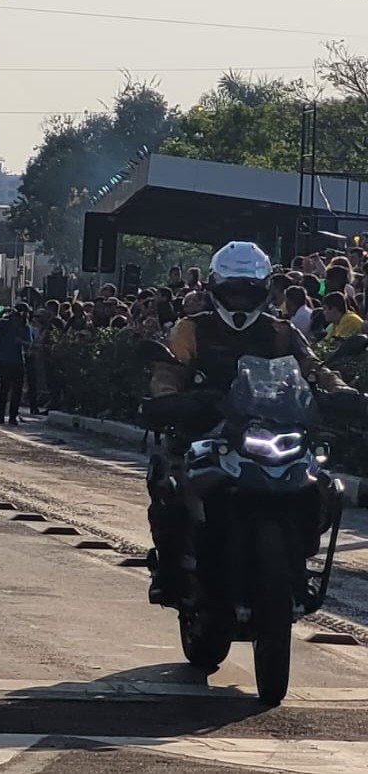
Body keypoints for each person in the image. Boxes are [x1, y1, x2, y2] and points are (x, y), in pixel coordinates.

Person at [145, 241, 353, 604]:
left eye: (249, 292)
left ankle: (296, 566)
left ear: (263, 290)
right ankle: (170, 572)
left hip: (271, 430)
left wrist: (340, 391)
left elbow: (313, 368)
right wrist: (169, 398)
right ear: (216, 289)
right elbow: (168, 370)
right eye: (232, 291)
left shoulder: (282, 331)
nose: (240, 300)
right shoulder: (191, 328)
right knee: (172, 488)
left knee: (318, 486)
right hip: (206, 432)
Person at [0, 303, 34, 425]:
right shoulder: (6, 323)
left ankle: (12, 416)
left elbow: (29, 343)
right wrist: (3, 311)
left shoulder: (25, 327)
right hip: (5, 360)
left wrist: (22, 342)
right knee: (4, 389)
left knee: (17, 391)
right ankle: (0, 415)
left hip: (19, 361)